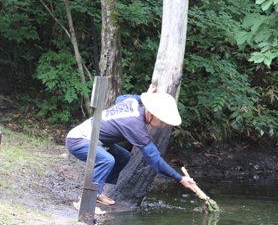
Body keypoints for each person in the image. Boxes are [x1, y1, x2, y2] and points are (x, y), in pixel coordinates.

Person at [66, 87, 196, 205]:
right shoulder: (136, 127)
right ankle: (87, 200)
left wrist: (144, 97)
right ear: (150, 114)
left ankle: (98, 190)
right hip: (78, 141)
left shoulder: (132, 103)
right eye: (162, 120)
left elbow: (120, 98)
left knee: (124, 157)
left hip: (97, 141)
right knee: (107, 160)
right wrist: (179, 178)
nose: (163, 125)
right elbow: (155, 161)